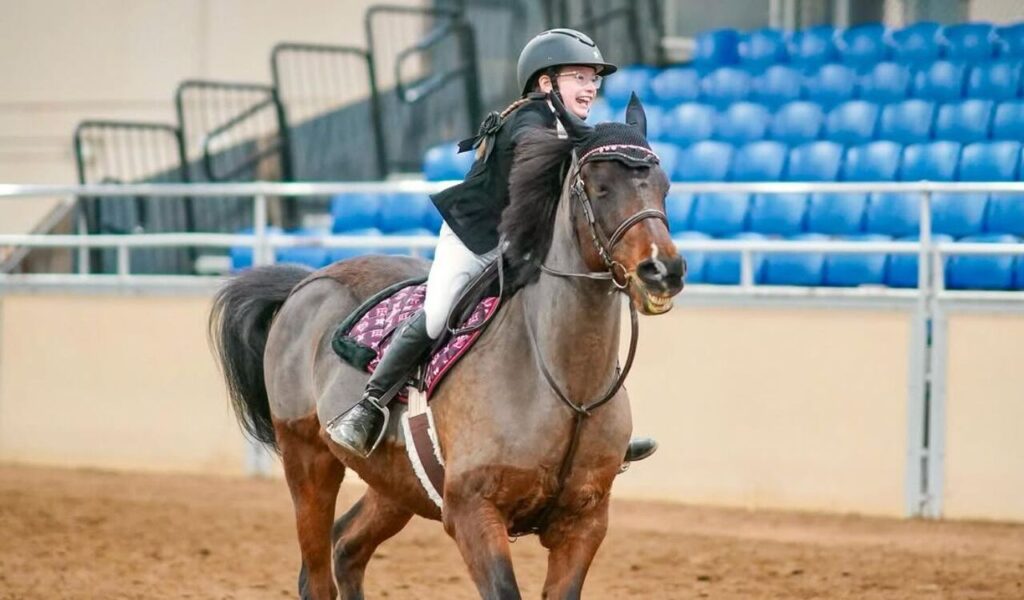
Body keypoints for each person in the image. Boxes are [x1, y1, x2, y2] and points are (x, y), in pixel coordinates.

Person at [327, 28, 659, 462]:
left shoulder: (572, 128)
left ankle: (600, 427)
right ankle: (369, 405)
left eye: (594, 78)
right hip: (475, 238)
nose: (591, 86)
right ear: (546, 83)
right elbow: (537, 155)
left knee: (574, 312)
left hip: (525, 242)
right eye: (579, 77)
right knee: (438, 314)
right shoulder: (529, 121)